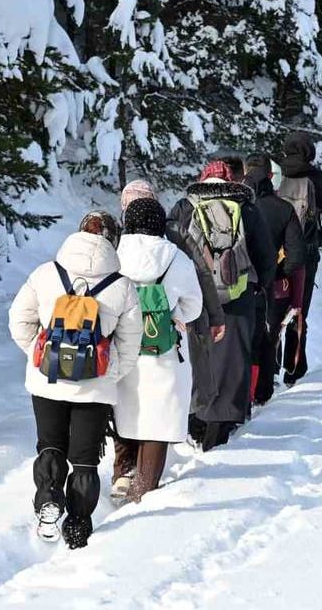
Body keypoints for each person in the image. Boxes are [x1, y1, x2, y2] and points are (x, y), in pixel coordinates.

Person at [7, 214, 142, 547]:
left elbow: (18, 321)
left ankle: (49, 497)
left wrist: (39, 356)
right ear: (113, 240)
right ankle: (79, 525)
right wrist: (109, 373)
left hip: (47, 381)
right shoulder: (122, 286)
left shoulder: (45, 274)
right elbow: (130, 342)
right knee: (84, 459)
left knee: (50, 445)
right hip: (94, 387)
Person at [169, 160, 276, 450]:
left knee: (198, 355)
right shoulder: (246, 208)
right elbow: (264, 256)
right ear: (231, 180)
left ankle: (195, 419)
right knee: (232, 359)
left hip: (196, 296)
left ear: (202, 178)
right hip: (239, 295)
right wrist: (259, 287)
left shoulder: (184, 207)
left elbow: (172, 248)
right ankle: (222, 424)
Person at [111, 198, 203, 503]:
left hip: (122, 345)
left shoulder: (114, 255)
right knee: (159, 415)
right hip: (162, 349)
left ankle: (122, 474)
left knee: (125, 406)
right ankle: (145, 487)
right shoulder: (177, 259)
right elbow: (192, 308)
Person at [121, 180, 225, 344]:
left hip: (124, 332)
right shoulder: (174, 232)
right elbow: (202, 271)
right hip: (166, 331)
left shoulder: (119, 243)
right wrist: (215, 316)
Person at [277, 133, 322, 386]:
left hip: (275, 254)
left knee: (273, 310)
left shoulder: (275, 174)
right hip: (306, 255)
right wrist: (315, 240)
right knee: (299, 310)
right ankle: (294, 368)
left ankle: (270, 367)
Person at [241, 154, 306, 406]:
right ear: (270, 176)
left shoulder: (239, 206)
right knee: (268, 337)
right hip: (272, 285)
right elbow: (297, 253)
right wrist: (280, 273)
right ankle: (262, 391)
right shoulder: (284, 208)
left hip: (240, 282)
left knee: (242, 338)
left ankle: (242, 392)